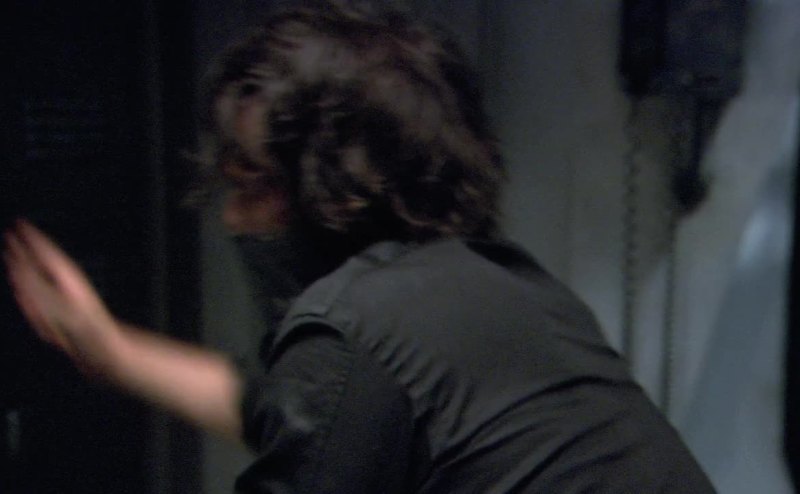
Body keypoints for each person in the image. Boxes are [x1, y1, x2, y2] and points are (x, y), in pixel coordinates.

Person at [3, 3, 716, 493]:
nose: (232, 219)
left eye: (252, 185)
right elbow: (278, 408)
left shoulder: (353, 328)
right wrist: (109, 349)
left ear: (341, 190)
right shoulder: (507, 291)